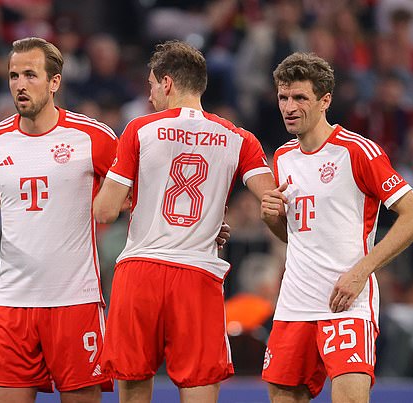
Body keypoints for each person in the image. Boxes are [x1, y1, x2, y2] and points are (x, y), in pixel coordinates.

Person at [92, 40, 276, 403]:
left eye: (150, 86)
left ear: (166, 83)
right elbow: (271, 200)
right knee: (199, 388)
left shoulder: (140, 130)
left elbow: (104, 211)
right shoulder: (239, 138)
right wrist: (209, 221)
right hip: (197, 275)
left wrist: (134, 197)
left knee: (133, 388)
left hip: (141, 272)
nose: (148, 97)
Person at [0, 37, 118, 403]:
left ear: (55, 82)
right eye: (14, 75)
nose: (20, 84)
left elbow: (134, 195)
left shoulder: (93, 137)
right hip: (12, 303)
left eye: (30, 75)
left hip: (75, 302)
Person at [259, 52, 413, 403]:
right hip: (295, 303)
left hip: (346, 302)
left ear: (325, 100)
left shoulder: (357, 151)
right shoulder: (282, 158)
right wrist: (273, 219)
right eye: (283, 97)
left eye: (300, 97)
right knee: (282, 396)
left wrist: (360, 273)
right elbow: (295, 237)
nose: (289, 107)